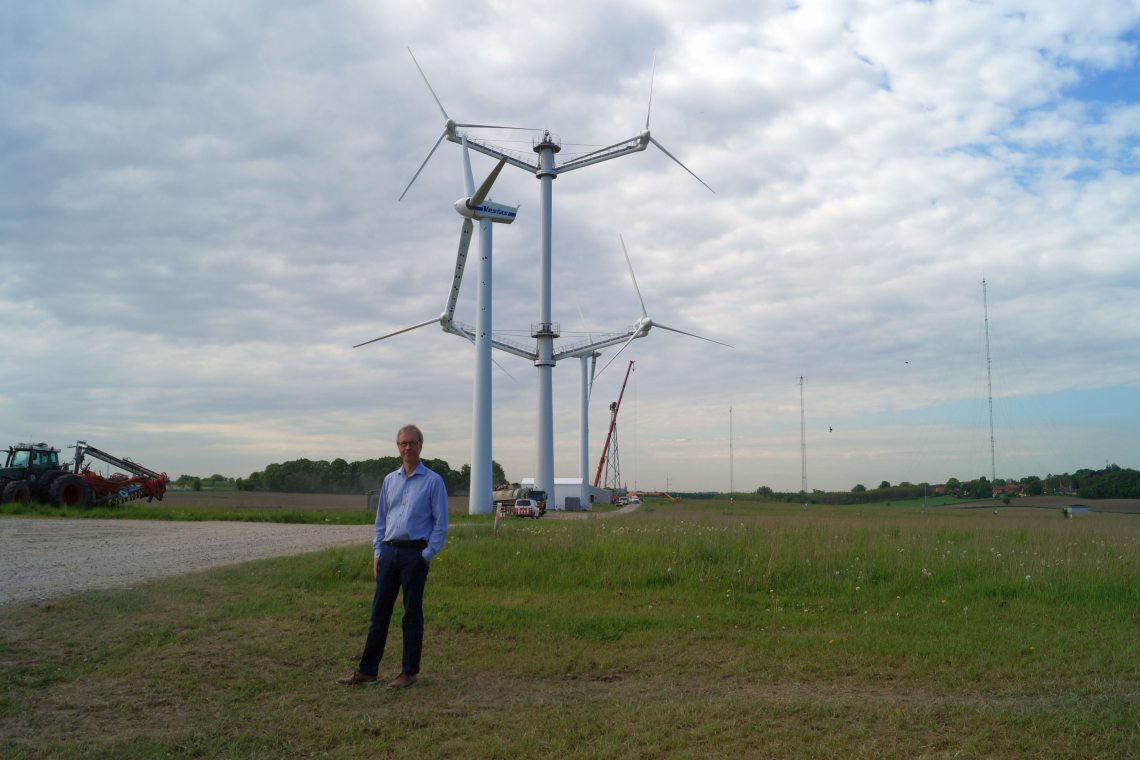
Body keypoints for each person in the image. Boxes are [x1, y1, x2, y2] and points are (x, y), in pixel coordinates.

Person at [337, 424, 448, 688]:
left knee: (412, 615)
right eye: (403, 443)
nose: (408, 447)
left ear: (421, 446)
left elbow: (441, 524)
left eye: (412, 443)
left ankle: (408, 673)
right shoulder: (390, 480)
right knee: (379, 614)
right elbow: (381, 521)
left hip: (414, 555)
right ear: (397, 447)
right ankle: (367, 671)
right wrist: (378, 552)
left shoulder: (433, 481)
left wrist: (426, 555)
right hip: (388, 552)